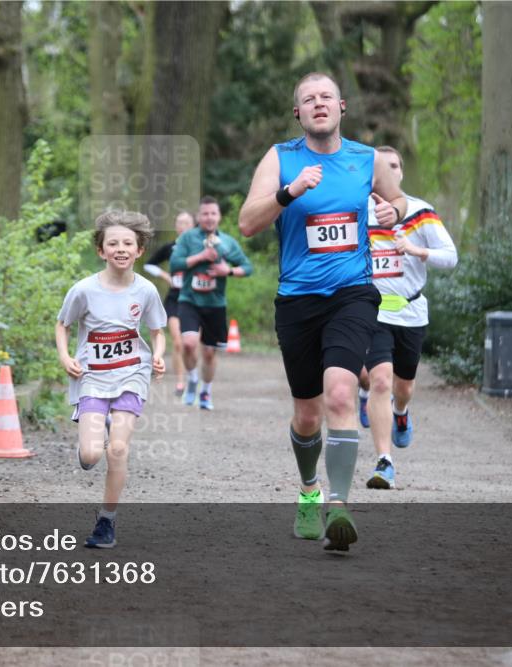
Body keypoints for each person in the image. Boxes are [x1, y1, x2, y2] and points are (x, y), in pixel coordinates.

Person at [239, 72, 406, 551]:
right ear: (298, 113)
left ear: (341, 107)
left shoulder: (368, 159)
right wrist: (288, 192)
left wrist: (394, 210)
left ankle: (339, 504)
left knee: (339, 393)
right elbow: (248, 223)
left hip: (353, 292)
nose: (318, 104)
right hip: (297, 301)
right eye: (308, 99)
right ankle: (310, 489)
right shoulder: (281, 158)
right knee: (308, 414)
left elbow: (397, 200)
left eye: (326, 97)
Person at [56, 210, 167, 548]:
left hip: (132, 374)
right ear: (101, 251)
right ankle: (90, 441)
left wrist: (159, 355)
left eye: (128, 243)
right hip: (92, 379)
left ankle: (107, 521)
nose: (121, 248)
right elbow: (63, 324)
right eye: (113, 243)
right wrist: (65, 357)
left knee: (118, 449)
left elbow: (157, 331)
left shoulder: (146, 291)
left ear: (139, 250)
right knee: (92, 455)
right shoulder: (84, 290)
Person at [362, 146, 458, 490]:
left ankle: (400, 412)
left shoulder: (420, 212)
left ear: (400, 173)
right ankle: (384, 462)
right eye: (379, 167)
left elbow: (451, 257)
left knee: (403, 388)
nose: (386, 172)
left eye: (393, 166)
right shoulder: (358, 210)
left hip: (411, 312)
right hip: (373, 311)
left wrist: (417, 250)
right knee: (380, 383)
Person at [169, 196, 253, 411]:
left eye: (213, 213)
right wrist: (200, 257)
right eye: (205, 213)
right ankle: (192, 379)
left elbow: (247, 267)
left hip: (215, 304)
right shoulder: (188, 239)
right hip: (189, 300)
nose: (209, 217)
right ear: (198, 217)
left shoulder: (227, 242)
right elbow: (175, 263)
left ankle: (205, 391)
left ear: (219, 217)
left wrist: (229, 271)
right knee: (188, 343)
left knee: (208, 352)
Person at [143, 211, 196, 396]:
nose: (183, 226)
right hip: (175, 299)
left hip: (197, 300)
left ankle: (193, 377)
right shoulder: (170, 247)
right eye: (180, 223)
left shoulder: (200, 247)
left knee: (192, 345)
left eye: (187, 222)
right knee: (178, 343)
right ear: (176, 226)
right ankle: (181, 383)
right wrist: (166, 276)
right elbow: (149, 265)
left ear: (193, 225)